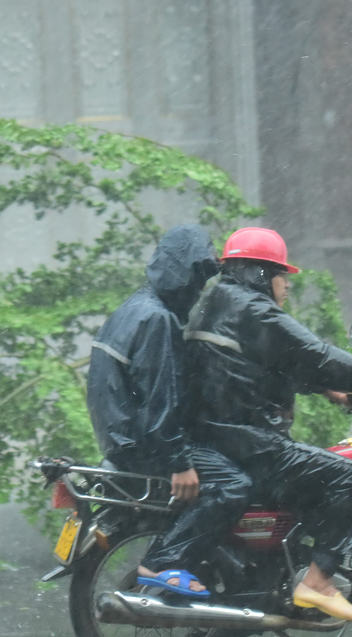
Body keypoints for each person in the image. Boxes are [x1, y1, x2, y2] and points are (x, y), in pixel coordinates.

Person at [184, 227, 352, 620]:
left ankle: (290, 566)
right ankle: (318, 581)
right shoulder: (255, 309)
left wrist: (328, 390)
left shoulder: (220, 301)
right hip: (249, 444)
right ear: (259, 273)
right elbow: (313, 353)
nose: (286, 285)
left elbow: (261, 367)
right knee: (350, 477)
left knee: (318, 477)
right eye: (281, 275)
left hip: (218, 437)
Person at [86, 224, 252, 597]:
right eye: (197, 278)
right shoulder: (157, 319)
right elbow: (161, 401)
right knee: (234, 486)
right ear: (181, 272)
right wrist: (178, 463)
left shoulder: (134, 308)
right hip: (144, 445)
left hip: (121, 439)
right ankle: (163, 563)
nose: (199, 290)